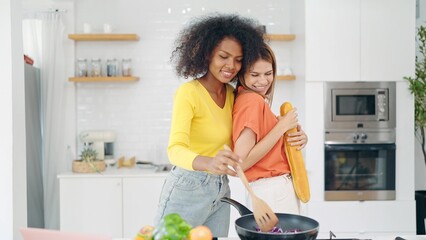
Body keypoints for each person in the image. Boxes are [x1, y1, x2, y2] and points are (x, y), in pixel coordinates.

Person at [154, 13, 265, 237]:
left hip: (221, 189)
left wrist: (292, 133)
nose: (231, 65)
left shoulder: (234, 95)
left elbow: (254, 131)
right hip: (187, 188)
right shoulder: (189, 93)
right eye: (223, 56)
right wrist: (209, 162)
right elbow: (175, 150)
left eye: (238, 59)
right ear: (207, 54)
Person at [232, 43, 308, 215]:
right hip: (273, 191)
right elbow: (241, 163)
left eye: (268, 73)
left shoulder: (251, 100)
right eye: (254, 75)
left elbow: (267, 145)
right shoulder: (252, 101)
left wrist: (296, 136)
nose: (263, 81)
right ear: (241, 74)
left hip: (270, 190)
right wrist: (281, 127)